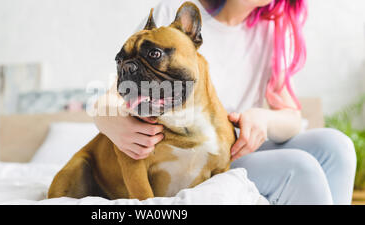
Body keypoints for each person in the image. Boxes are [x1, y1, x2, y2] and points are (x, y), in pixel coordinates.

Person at [93, 0, 356, 204]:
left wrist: (263, 117)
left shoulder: (273, 28)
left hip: (239, 143)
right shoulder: (174, 13)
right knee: (300, 167)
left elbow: (292, 118)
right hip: (202, 153)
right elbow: (120, 86)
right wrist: (105, 118)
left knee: (337, 146)